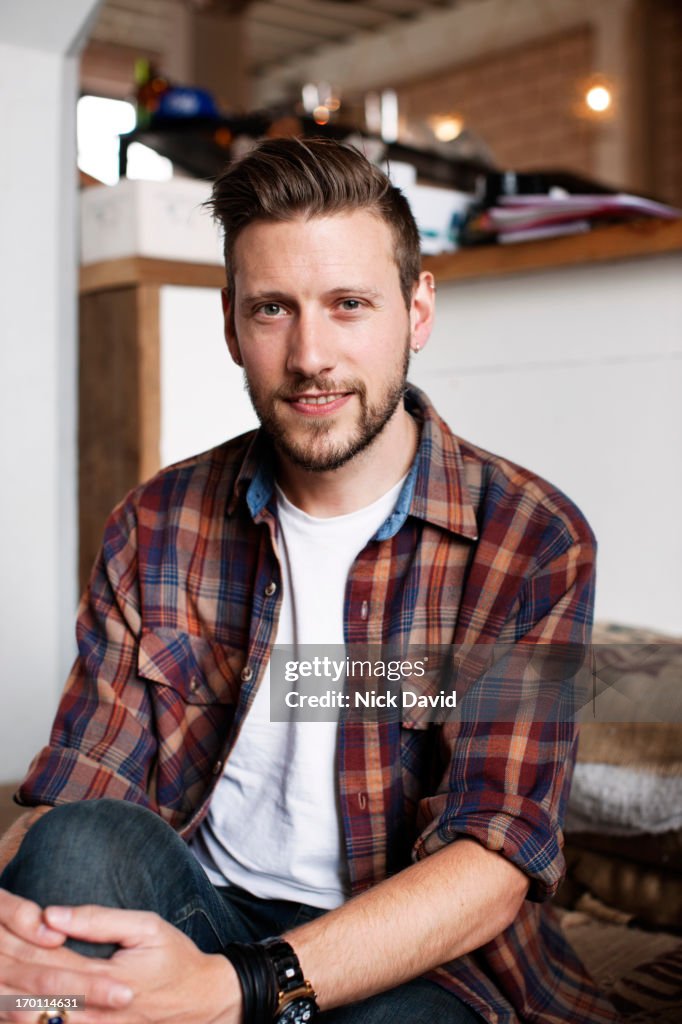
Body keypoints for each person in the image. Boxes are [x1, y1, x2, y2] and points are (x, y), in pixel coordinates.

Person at [0, 138, 618, 1024]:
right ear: (230, 324)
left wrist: (237, 990)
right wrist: (17, 920)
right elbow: (87, 787)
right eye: (273, 310)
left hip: (409, 960)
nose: (310, 355)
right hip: (201, 911)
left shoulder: (531, 543)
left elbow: (493, 860)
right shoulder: (156, 522)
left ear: (419, 310)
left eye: (349, 305)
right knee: (70, 853)